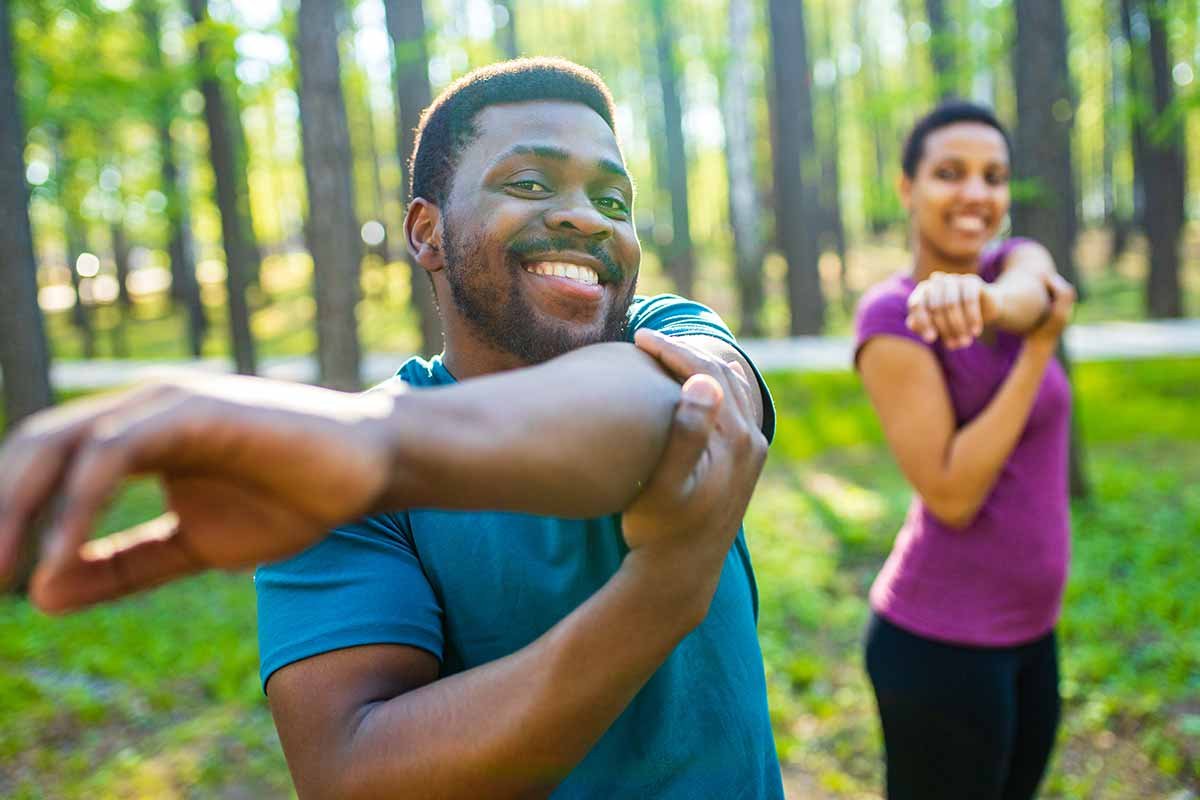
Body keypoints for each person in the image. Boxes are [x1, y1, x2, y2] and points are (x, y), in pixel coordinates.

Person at [0, 58, 785, 798]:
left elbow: (676, 413)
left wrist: (376, 445)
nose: (585, 216)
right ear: (426, 232)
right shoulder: (321, 479)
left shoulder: (667, 330)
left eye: (615, 201)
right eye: (532, 181)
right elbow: (352, 773)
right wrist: (661, 592)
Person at [853, 100, 1076, 800]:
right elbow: (950, 494)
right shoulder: (891, 315)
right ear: (907, 188)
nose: (977, 193)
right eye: (950, 172)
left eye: (994, 175)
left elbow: (1030, 290)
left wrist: (982, 302)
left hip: (1034, 633)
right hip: (941, 645)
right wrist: (1038, 349)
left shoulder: (1015, 262)